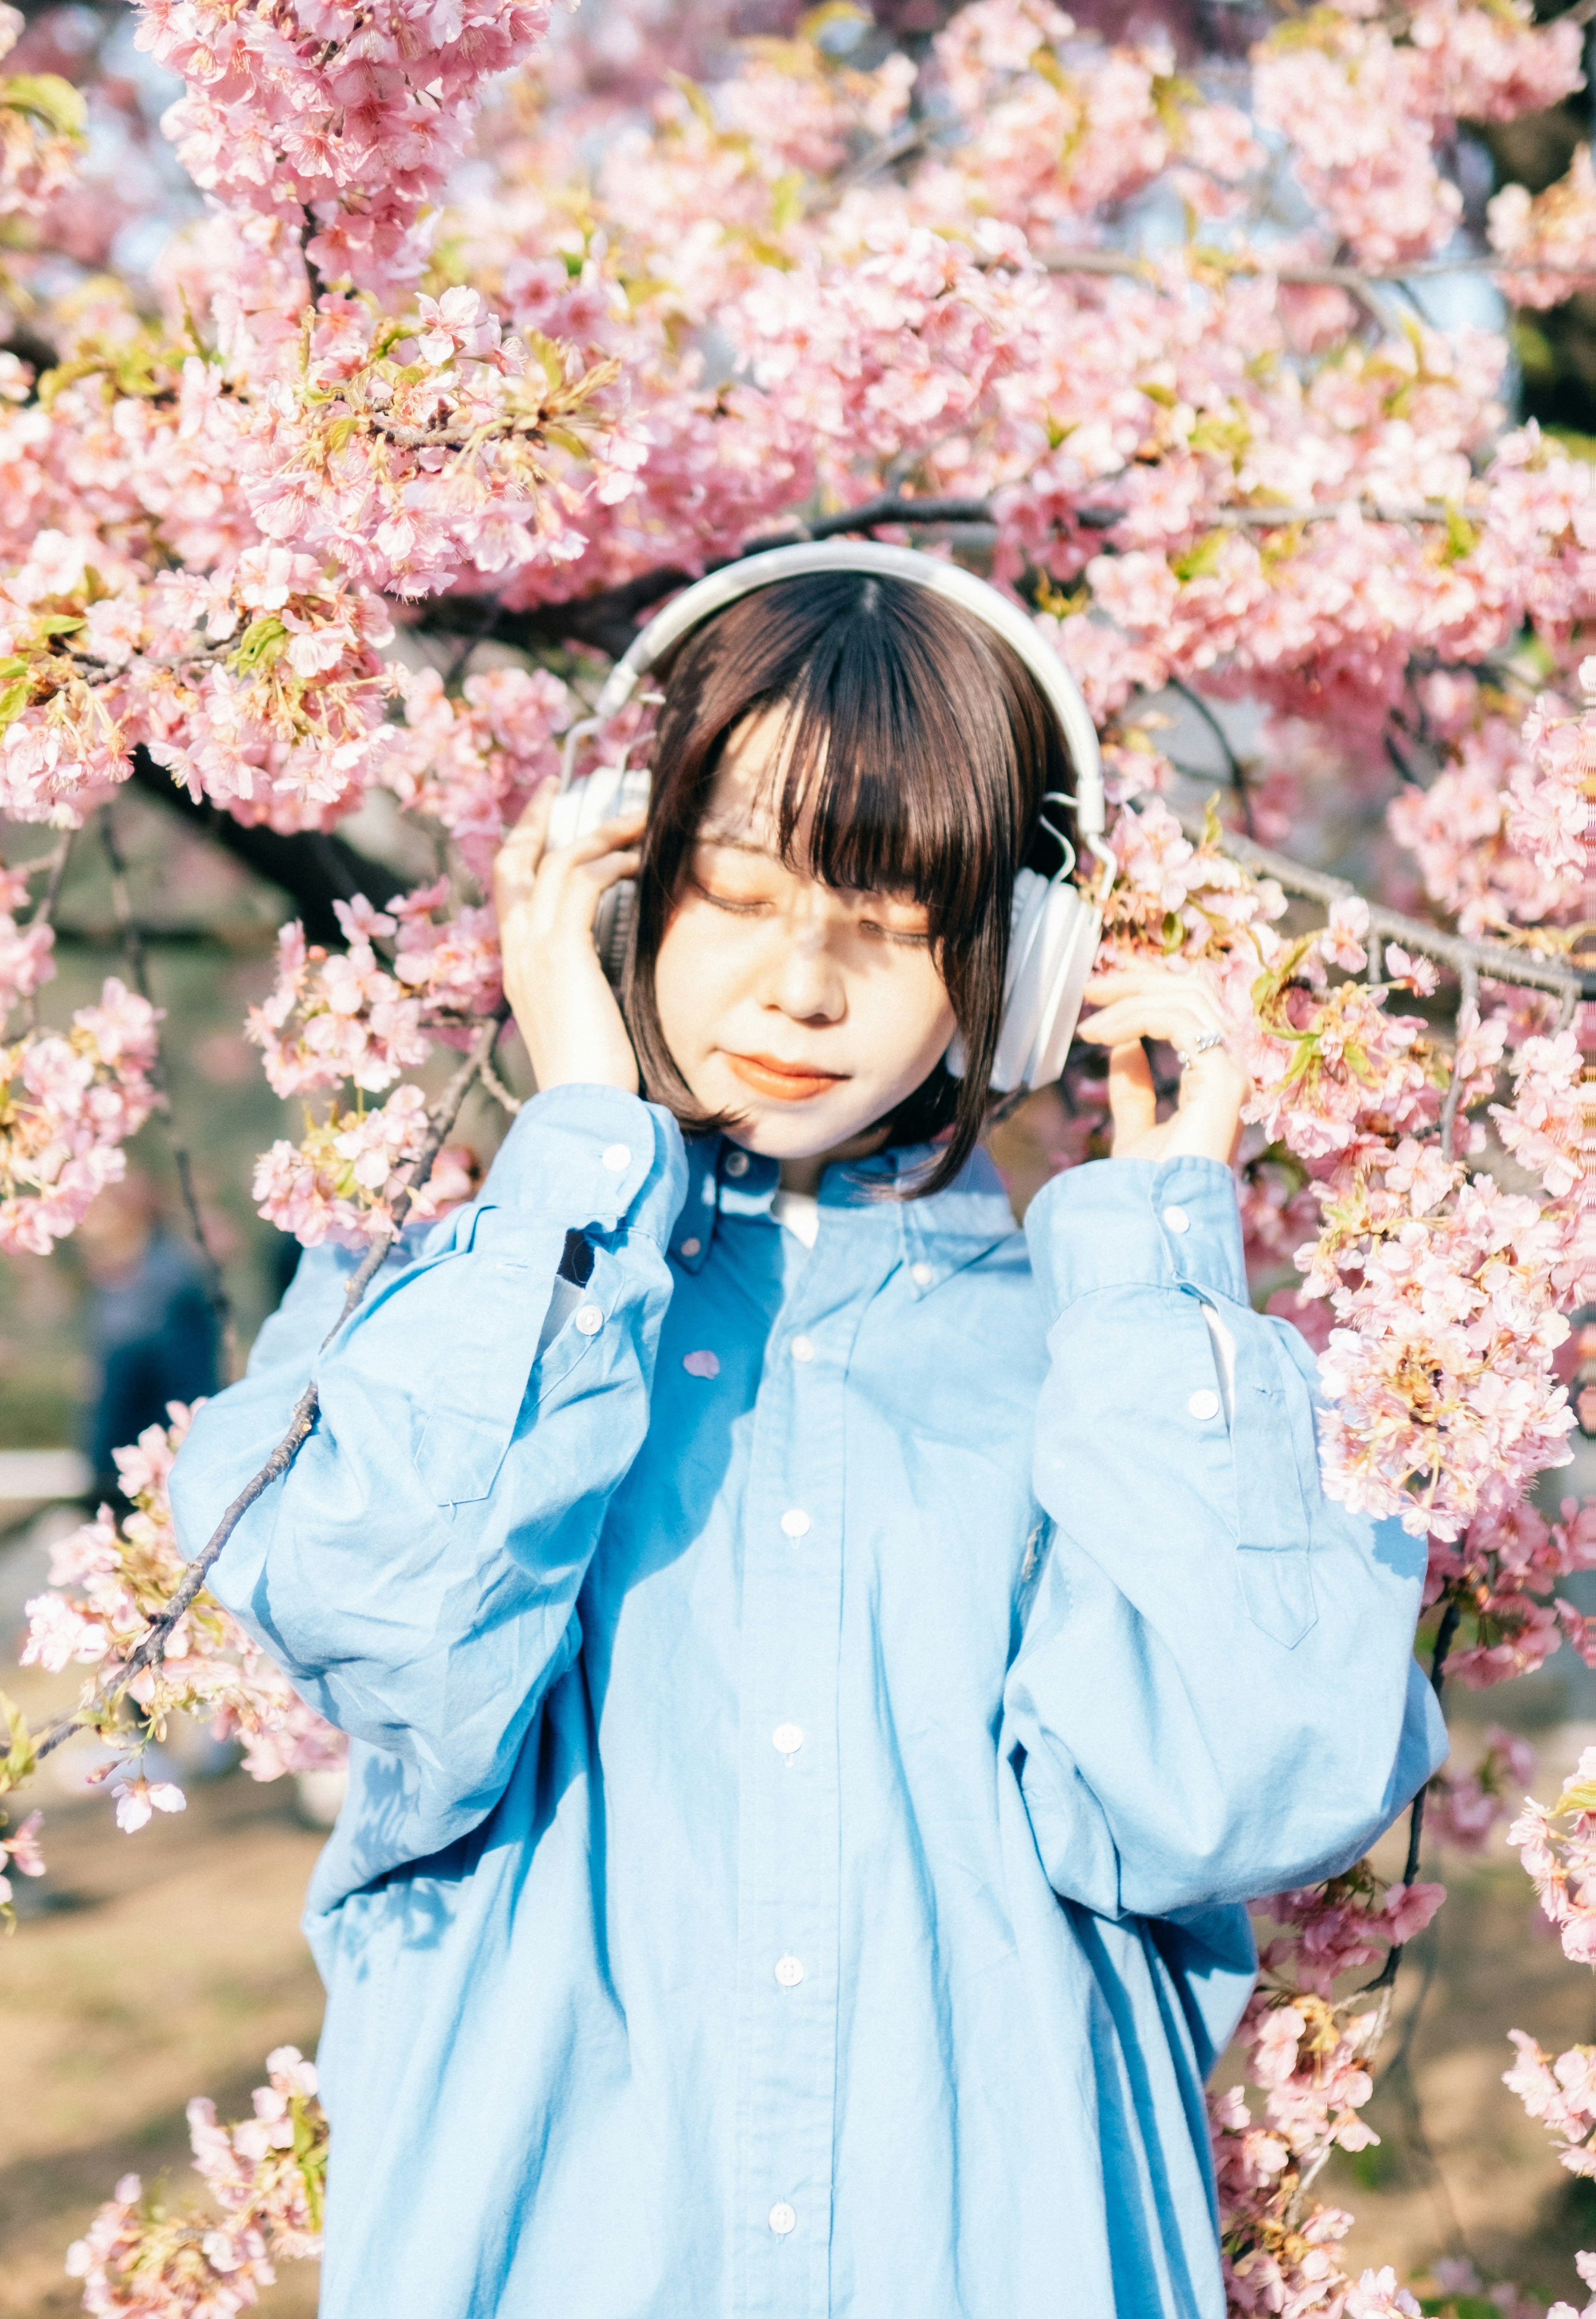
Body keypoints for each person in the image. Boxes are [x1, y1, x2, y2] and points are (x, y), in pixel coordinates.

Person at [169, 563, 1443, 2319]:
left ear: (1014, 962)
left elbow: (1235, 1797)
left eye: (899, 925)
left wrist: (1159, 1255)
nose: (801, 989)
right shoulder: (434, 1307)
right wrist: (583, 1155)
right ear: (608, 888)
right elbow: (393, 1651)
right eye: (727, 891)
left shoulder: (1109, 1358)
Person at [77, 1172, 219, 1506]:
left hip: (153, 1460)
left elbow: (179, 1381)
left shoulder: (167, 1279)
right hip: (129, 1462)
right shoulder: (122, 1279)